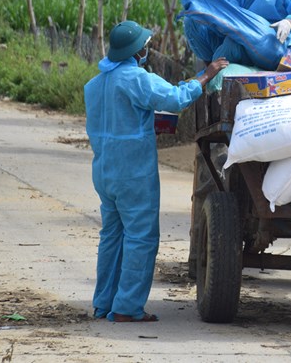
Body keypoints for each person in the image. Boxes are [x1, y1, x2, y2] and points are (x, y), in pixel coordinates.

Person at [84, 20, 228, 323]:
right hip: (133, 171)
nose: (146, 52)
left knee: (112, 235)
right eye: (144, 48)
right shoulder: (136, 78)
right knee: (140, 238)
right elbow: (175, 99)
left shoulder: (95, 85)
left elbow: (118, 121)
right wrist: (205, 75)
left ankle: (103, 303)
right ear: (137, 52)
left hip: (104, 170)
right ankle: (126, 307)